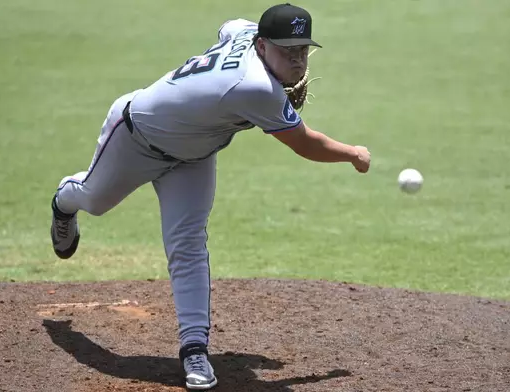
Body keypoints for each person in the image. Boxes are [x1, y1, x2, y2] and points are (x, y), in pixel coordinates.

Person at [50, 3, 371, 390]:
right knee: (95, 199)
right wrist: (353, 153)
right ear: (262, 45)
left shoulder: (246, 34)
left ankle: (194, 349)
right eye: (287, 51)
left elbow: (229, 25)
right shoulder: (255, 88)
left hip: (194, 158)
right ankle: (62, 204)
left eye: (302, 50)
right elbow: (305, 144)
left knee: (187, 245)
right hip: (134, 138)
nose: (297, 60)